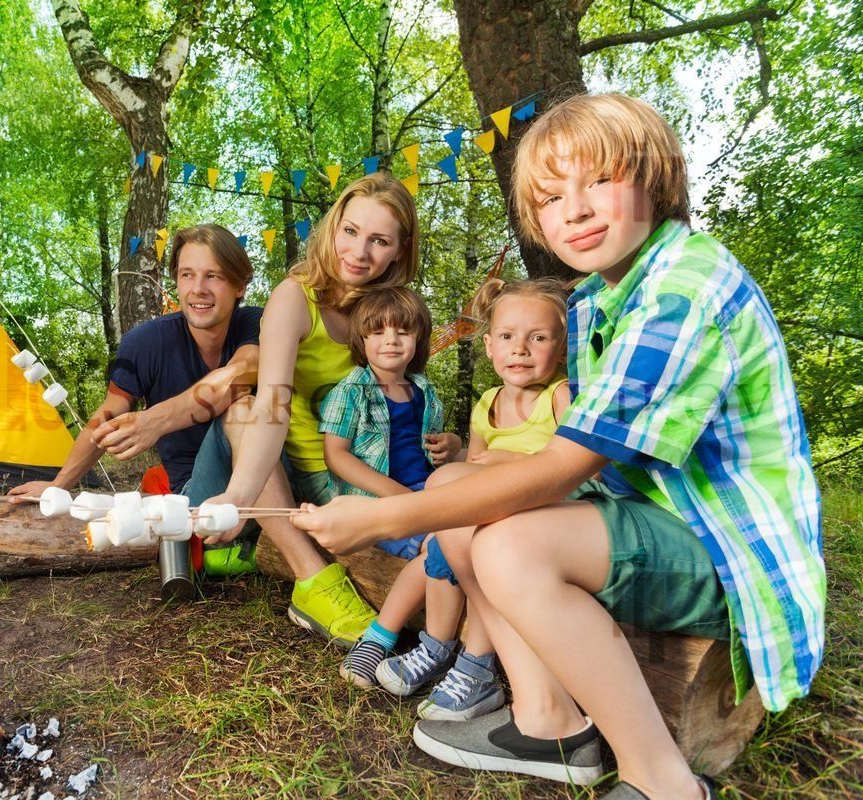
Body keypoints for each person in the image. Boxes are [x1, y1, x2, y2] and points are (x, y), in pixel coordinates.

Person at [293, 93, 824, 800]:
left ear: (657, 177)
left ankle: (662, 778)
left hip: (724, 547)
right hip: (651, 513)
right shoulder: (606, 297)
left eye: (598, 180)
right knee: (457, 491)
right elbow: (564, 463)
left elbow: (566, 465)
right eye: (548, 197)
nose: (572, 210)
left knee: (510, 544)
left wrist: (385, 517)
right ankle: (549, 720)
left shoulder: (684, 289)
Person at [195, 173, 441, 648]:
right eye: (350, 231)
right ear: (332, 228)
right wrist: (237, 493)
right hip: (284, 470)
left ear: (399, 251)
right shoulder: (295, 297)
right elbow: (273, 405)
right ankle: (313, 582)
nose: (359, 252)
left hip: (361, 477)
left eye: (379, 240)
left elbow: (407, 400)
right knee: (242, 409)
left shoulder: (387, 313)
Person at [337, 279, 573, 726]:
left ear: (560, 349)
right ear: (488, 346)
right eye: (507, 337)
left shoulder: (559, 397)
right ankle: (427, 644)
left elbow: (577, 469)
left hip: (537, 517)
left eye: (537, 338)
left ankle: (474, 663)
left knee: (476, 548)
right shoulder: (487, 402)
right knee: (441, 545)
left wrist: (509, 461)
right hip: (484, 512)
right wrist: (460, 451)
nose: (520, 349)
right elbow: (476, 462)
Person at [8, 224, 260, 553]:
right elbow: (108, 415)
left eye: (214, 276)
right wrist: (59, 486)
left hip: (264, 483)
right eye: (187, 275)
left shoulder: (256, 324)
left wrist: (154, 420)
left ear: (240, 285)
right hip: (197, 498)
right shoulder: (145, 343)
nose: (198, 289)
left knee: (246, 408)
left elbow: (240, 375)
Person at [318, 287, 462, 693]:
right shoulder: (352, 390)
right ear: (362, 340)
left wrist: (451, 445)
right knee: (441, 545)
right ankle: (380, 637)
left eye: (402, 332)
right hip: (376, 500)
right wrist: (398, 496)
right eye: (378, 332)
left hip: (427, 492)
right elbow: (337, 456)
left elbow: (433, 450)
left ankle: (439, 646)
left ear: (418, 339)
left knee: (461, 535)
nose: (391, 341)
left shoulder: (423, 391)